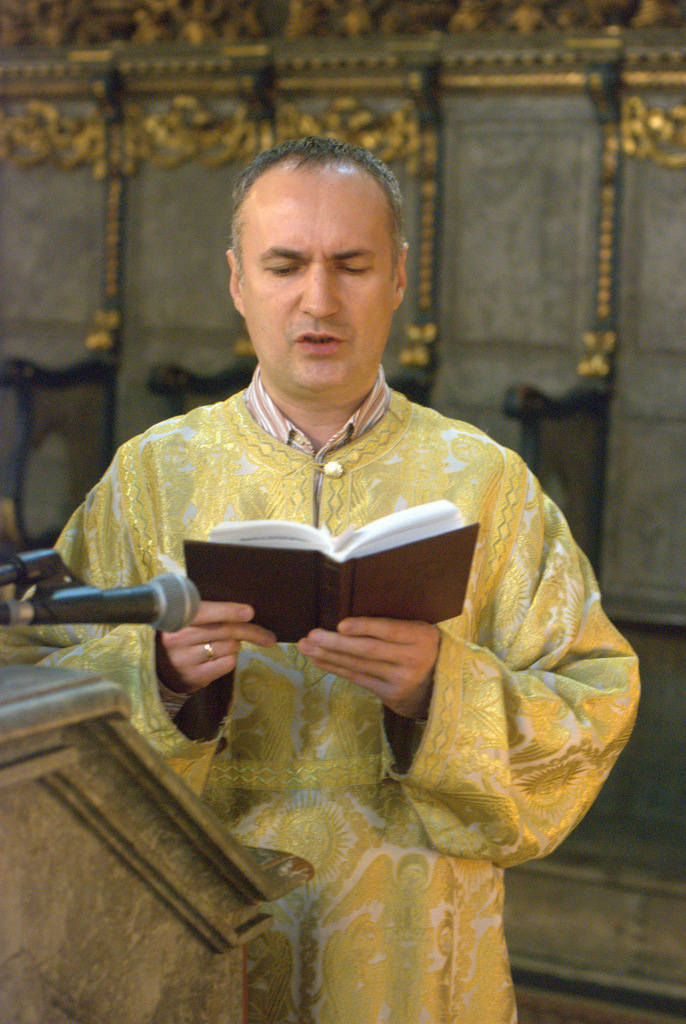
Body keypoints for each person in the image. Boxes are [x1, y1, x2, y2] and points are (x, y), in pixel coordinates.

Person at [0, 137, 639, 1024]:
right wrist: (161, 677)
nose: (320, 300)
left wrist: (439, 692)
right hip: (195, 922)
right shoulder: (153, 475)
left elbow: (594, 705)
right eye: (285, 265)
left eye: (352, 265)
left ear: (398, 276)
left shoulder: (485, 482)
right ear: (238, 281)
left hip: (411, 944)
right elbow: (27, 685)